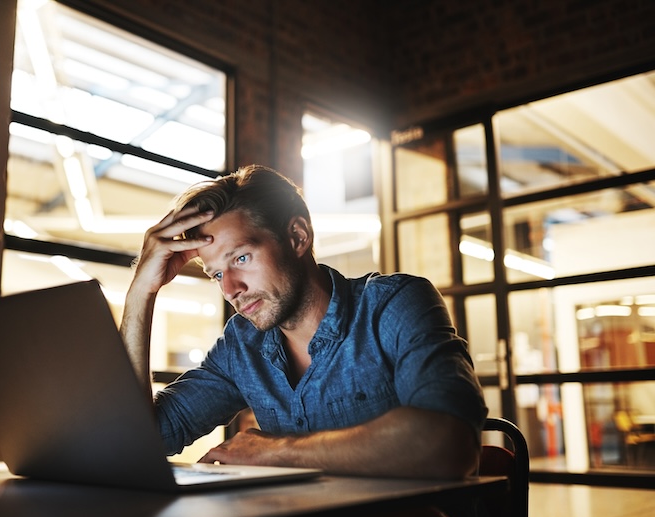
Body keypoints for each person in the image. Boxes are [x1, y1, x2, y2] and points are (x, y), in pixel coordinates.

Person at [121, 164, 487, 479]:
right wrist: (141, 292)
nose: (230, 288)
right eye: (216, 274)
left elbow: (450, 441)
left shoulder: (393, 305)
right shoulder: (242, 346)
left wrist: (275, 452)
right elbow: (138, 440)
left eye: (242, 258)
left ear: (297, 237)